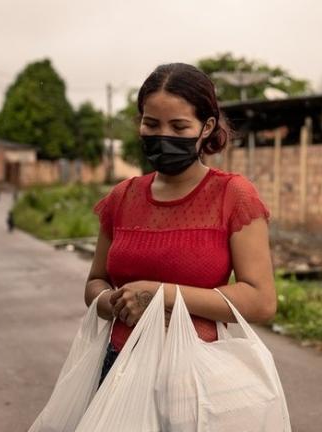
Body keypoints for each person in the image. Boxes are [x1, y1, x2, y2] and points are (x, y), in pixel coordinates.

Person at [84, 62, 277, 396]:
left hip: (196, 376)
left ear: (207, 127)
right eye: (152, 124)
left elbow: (260, 301)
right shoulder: (121, 197)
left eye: (179, 126)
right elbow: (94, 283)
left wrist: (159, 295)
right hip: (119, 369)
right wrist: (117, 302)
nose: (164, 137)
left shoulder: (232, 195)